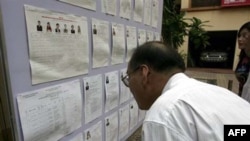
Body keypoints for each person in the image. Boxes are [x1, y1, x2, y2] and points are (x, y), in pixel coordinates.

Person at [121, 41, 250, 141]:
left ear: (144, 73)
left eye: (129, 77)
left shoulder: (164, 115)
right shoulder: (220, 93)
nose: (129, 85)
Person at [239, 21, 250, 102]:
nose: (239, 39)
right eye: (239, 36)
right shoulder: (244, 58)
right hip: (242, 100)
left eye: (244, 35)